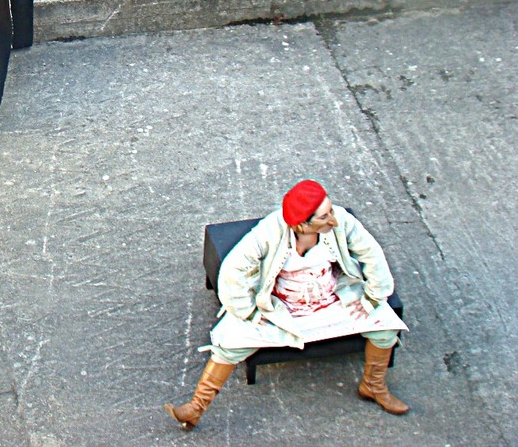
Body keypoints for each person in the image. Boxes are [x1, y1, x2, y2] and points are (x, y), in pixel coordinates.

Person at [164, 179, 409, 430]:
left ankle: (373, 386)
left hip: (333, 298)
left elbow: (372, 254)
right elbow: (233, 270)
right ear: (302, 224)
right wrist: (247, 310)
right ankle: (196, 407)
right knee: (230, 343)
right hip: (283, 307)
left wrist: (372, 297)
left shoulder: (342, 221)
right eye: (325, 217)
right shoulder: (268, 232)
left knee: (384, 327)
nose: (333, 220)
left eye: (331, 211)